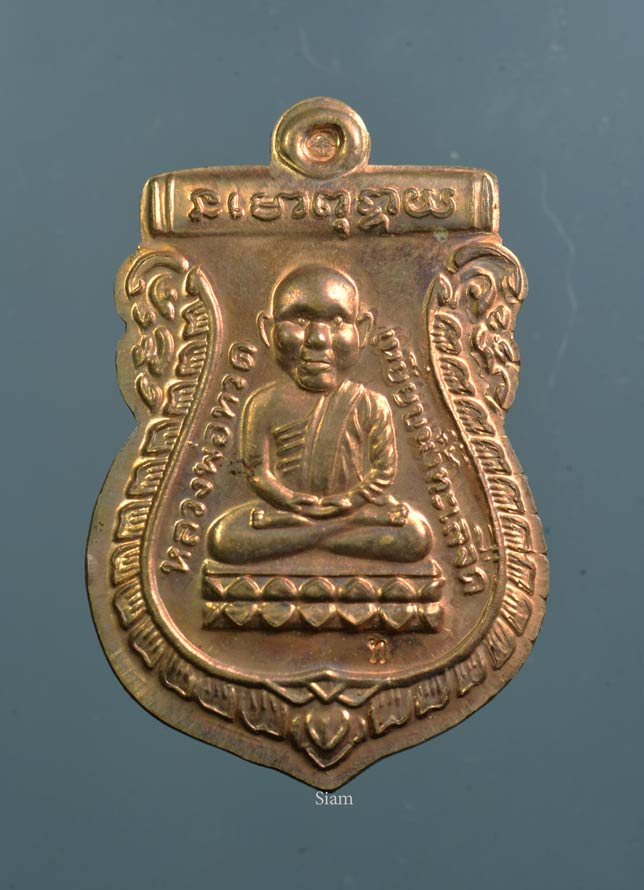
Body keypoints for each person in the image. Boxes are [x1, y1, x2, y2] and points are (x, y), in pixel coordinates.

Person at [208, 264, 431, 563]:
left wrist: (350, 501)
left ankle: (313, 536)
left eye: (337, 321)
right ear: (268, 330)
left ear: (363, 330)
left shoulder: (370, 403)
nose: (318, 339)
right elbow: (257, 472)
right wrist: (289, 500)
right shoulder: (262, 403)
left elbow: (383, 471)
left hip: (348, 511)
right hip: (290, 514)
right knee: (224, 536)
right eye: (300, 320)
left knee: (416, 534)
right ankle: (330, 535)